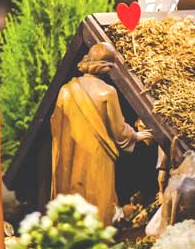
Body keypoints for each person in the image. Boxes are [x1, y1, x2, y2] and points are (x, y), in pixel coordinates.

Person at [49, 43, 152, 225]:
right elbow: (118, 130)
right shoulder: (107, 92)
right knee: (98, 194)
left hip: (70, 157)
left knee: (74, 192)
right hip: (98, 155)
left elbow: (56, 124)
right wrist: (135, 136)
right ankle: (97, 237)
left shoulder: (66, 90)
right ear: (107, 66)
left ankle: (72, 234)